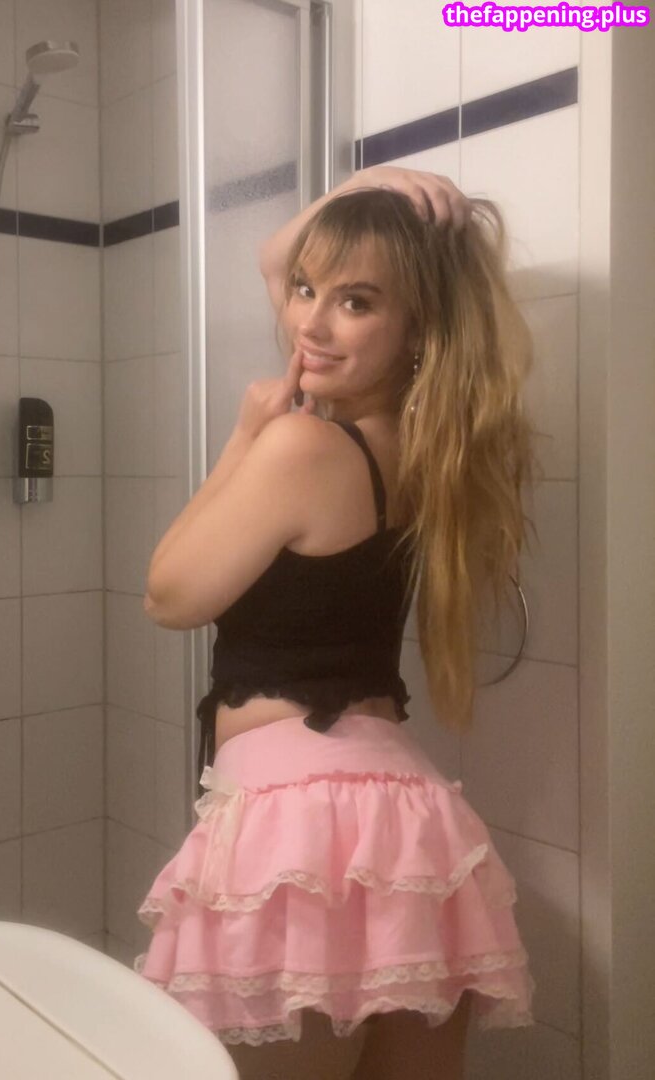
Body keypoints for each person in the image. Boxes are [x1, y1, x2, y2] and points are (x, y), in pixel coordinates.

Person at [135, 165, 538, 1080]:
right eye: (308, 292)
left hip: (299, 827)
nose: (308, 323)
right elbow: (276, 257)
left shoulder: (302, 445)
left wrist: (246, 436)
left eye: (355, 302)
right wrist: (373, 186)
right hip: (411, 821)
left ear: (416, 329)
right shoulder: (431, 449)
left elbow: (170, 596)